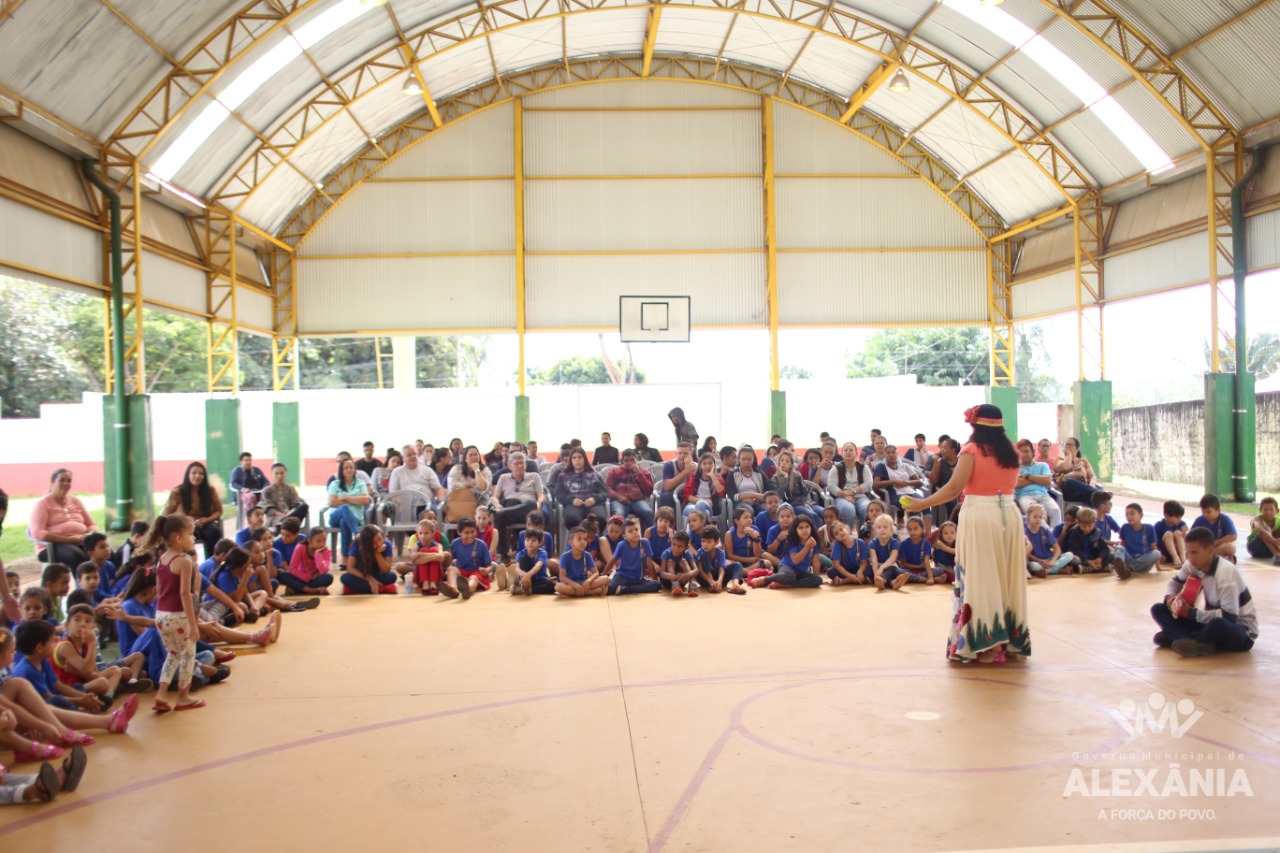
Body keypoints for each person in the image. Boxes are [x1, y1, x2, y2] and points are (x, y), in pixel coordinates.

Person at [904, 404, 1029, 664]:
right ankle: (1009, 640)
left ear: (975, 425)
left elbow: (953, 489)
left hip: (980, 514)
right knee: (1007, 576)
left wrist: (919, 505)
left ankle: (986, 644)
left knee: (982, 577)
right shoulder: (1012, 452)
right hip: (1009, 513)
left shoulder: (971, 450)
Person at [1150, 527, 1257, 657]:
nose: (1190, 558)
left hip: (1239, 631)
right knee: (1158, 609)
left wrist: (1190, 612)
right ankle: (1192, 642)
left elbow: (1229, 617)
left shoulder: (1226, 572)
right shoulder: (1193, 564)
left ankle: (1180, 637)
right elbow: (1175, 582)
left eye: (1194, 553)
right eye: (1187, 553)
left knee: (1218, 624)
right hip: (1208, 622)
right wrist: (1170, 598)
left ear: (1211, 550)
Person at [140, 514, 205, 712]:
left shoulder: (162, 560)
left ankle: (161, 694)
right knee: (187, 655)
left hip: (161, 615)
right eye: (191, 535)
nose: (193, 539)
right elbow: (184, 593)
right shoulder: (184, 561)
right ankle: (183, 696)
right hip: (179, 616)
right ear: (178, 538)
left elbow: (160, 589)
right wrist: (193, 624)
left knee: (173, 654)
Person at [29, 469, 97, 566]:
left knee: (104, 552)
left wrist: (88, 535)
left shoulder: (75, 501)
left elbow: (91, 524)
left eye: (69, 481)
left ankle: (110, 580)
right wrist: (69, 540)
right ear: (52, 482)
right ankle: (84, 581)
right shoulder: (42, 504)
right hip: (53, 545)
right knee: (77, 556)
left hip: (80, 541)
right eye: (62, 480)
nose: (66, 483)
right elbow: (37, 533)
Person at [162, 462, 224, 560]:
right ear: (188, 475)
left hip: (204, 524)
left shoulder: (210, 490)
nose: (197, 476)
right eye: (194, 473)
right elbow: (166, 513)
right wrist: (189, 523)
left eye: (201, 474)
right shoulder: (178, 491)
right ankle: (186, 565)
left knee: (214, 532)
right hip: (183, 526)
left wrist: (207, 520)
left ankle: (211, 565)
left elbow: (219, 511)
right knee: (183, 538)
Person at [490, 451, 545, 556]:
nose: (520, 465)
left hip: (527, 513)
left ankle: (503, 511)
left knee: (531, 504)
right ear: (509, 466)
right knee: (506, 508)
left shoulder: (534, 476)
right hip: (510, 513)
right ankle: (503, 554)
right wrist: (497, 506)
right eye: (516, 463)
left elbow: (541, 495)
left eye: (522, 463)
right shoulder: (503, 478)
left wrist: (538, 503)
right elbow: (495, 498)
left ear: (526, 464)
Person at [751, 515, 823, 589]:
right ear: (796, 530)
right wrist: (807, 547)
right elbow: (795, 560)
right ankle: (765, 580)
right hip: (787, 567)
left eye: (807, 527)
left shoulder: (813, 541)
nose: (804, 530)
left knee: (818, 580)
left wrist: (816, 575)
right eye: (801, 528)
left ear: (811, 528)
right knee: (789, 576)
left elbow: (816, 561)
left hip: (801, 572)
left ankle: (788, 584)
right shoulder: (792, 541)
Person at [554, 447, 609, 528]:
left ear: (584, 459)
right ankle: (576, 539)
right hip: (573, 505)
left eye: (580, 457)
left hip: (593, 504)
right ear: (571, 460)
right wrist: (572, 500)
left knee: (599, 518)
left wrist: (594, 499)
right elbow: (559, 495)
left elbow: (604, 492)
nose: (577, 460)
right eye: (574, 458)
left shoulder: (594, 475)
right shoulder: (563, 476)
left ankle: (594, 539)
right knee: (571, 519)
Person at [327, 457, 371, 557]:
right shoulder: (334, 484)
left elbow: (365, 500)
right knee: (345, 508)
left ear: (354, 469)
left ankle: (345, 557)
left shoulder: (360, 483)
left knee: (344, 521)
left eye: (351, 467)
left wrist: (345, 497)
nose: (349, 470)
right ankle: (357, 533)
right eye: (346, 468)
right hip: (335, 517)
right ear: (341, 470)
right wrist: (355, 500)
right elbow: (332, 502)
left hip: (355, 518)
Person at [606, 517, 662, 595]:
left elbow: (649, 563)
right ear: (624, 536)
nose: (635, 532)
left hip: (638, 578)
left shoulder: (644, 543)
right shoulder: (622, 545)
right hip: (622, 576)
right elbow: (613, 560)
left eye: (636, 530)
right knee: (609, 589)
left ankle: (626, 589)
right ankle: (627, 588)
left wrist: (655, 579)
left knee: (657, 585)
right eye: (630, 531)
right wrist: (604, 574)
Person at [389, 445, 447, 517]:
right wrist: (403, 504)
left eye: (414, 454)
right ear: (403, 458)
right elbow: (394, 494)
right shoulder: (397, 472)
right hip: (406, 507)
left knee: (442, 512)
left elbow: (438, 490)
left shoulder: (427, 470)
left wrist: (442, 502)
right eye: (409, 455)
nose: (413, 456)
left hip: (427, 505)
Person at [827, 442, 875, 529]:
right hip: (841, 497)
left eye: (851, 450)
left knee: (866, 509)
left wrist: (853, 491)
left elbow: (868, 484)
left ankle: (864, 537)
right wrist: (844, 494)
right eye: (845, 450)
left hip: (861, 495)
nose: (848, 452)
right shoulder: (836, 468)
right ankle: (847, 537)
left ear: (856, 453)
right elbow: (831, 486)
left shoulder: (864, 467)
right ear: (841, 453)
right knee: (848, 510)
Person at [340, 525, 398, 595]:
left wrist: (377, 554)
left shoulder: (387, 544)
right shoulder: (357, 544)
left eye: (380, 539)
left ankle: (357, 589)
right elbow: (350, 568)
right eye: (374, 542)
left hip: (378, 575)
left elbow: (386, 570)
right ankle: (382, 588)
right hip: (362, 575)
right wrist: (369, 578)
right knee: (345, 578)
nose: (379, 544)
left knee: (392, 576)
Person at [1015, 439, 1061, 527]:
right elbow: (1018, 483)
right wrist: (1038, 478)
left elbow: (1047, 481)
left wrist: (1028, 476)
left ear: (1032, 452)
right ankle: (1048, 536)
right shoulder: (1016, 468)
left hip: (1043, 496)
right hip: (1025, 497)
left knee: (1055, 510)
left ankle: (1055, 538)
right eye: (1021, 452)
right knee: (1035, 513)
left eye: (1027, 451)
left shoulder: (1042, 465)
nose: (1024, 454)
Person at [606, 450, 655, 530]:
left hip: (638, 501)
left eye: (632, 459)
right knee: (619, 515)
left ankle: (652, 537)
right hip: (619, 501)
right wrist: (618, 497)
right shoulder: (614, 472)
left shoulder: (643, 472)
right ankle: (619, 540)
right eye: (626, 460)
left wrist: (639, 474)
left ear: (637, 459)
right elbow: (607, 489)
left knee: (648, 512)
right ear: (622, 461)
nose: (629, 463)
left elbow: (649, 491)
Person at [280, 527, 335, 596]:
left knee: (329, 577)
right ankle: (312, 590)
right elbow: (292, 569)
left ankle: (297, 589)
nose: (322, 544)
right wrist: (308, 577)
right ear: (310, 541)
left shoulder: (326, 551)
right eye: (318, 541)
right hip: (300, 578)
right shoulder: (300, 547)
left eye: (324, 540)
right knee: (282, 574)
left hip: (314, 580)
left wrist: (318, 554)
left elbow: (323, 571)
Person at [556, 527, 609, 598]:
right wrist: (575, 585)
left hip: (584, 582)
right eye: (579, 539)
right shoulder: (565, 556)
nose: (583, 542)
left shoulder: (587, 555)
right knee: (558, 587)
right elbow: (562, 577)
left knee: (605, 578)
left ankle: (575, 593)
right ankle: (595, 591)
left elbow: (596, 573)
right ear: (571, 542)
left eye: (585, 539)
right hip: (570, 584)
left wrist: (588, 581)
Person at [1024, 504, 1075, 578]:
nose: (1038, 519)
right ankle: (1058, 570)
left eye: (1040, 517)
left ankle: (1048, 571)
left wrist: (1053, 560)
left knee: (1069, 555)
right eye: (1035, 517)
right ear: (1028, 517)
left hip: (1049, 559)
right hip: (1037, 561)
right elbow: (1027, 553)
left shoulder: (1045, 531)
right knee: (1034, 566)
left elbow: (1057, 548)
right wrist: (1040, 561)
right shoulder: (1025, 533)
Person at [1113, 502, 1160, 579]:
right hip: (1129, 559)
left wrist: (1158, 567)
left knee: (1157, 553)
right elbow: (1122, 545)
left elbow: (1153, 547)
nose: (1129, 516)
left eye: (1132, 514)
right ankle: (1122, 569)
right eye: (1127, 514)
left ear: (1140, 515)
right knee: (1119, 547)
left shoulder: (1149, 528)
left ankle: (1130, 567)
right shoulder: (1125, 527)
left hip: (1143, 563)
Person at [694, 525, 747, 594]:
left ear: (716, 542)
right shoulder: (700, 552)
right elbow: (700, 571)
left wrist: (719, 581)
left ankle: (735, 584)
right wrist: (711, 581)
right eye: (703, 541)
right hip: (705, 579)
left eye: (709, 542)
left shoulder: (720, 552)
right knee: (705, 555)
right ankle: (712, 585)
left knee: (737, 565)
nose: (705, 544)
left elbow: (721, 570)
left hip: (718, 577)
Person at [873, 443, 925, 512]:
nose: (891, 454)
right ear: (885, 456)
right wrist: (895, 482)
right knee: (911, 505)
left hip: (911, 492)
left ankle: (926, 522)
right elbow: (875, 484)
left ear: (897, 454)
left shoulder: (905, 466)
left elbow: (919, 482)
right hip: (896, 495)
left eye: (893, 452)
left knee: (924, 504)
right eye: (888, 453)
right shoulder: (882, 467)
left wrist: (906, 483)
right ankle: (911, 521)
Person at [1062, 507, 1111, 574]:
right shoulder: (1073, 532)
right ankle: (1100, 568)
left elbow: (1104, 548)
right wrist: (1087, 561)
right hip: (1080, 558)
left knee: (1112, 555)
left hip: (1094, 557)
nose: (1087, 529)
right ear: (1078, 522)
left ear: (1095, 523)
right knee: (1073, 559)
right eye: (1084, 526)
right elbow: (1074, 549)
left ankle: (1089, 568)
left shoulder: (1097, 532)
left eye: (1090, 526)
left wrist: (1100, 558)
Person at [680, 452, 726, 521]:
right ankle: (703, 529)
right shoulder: (694, 477)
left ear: (714, 465)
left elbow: (721, 493)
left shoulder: (717, 478)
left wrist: (713, 476)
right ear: (700, 465)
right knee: (697, 509)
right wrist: (702, 500)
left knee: (701, 507)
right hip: (692, 506)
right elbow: (687, 495)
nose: (707, 466)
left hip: (708, 507)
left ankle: (696, 530)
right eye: (704, 463)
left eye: (710, 463)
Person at [1192, 494, 1238, 561]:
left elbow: (1233, 536)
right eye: (1203, 512)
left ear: (1218, 511)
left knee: (1230, 547)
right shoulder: (1199, 520)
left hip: (1218, 547)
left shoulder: (1224, 519)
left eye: (1208, 512)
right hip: (1203, 548)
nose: (1205, 514)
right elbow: (1190, 537)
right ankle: (1212, 558)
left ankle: (1207, 558)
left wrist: (1215, 543)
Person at [261, 463, 308, 528]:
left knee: (304, 506)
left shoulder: (291, 489)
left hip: (291, 517)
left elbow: (295, 504)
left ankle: (284, 522)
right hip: (275, 519)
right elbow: (268, 510)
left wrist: (289, 514)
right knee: (286, 521)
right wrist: (283, 516)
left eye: (282, 473)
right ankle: (283, 523)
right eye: (276, 474)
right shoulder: (267, 491)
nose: (279, 476)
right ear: (272, 474)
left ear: (285, 474)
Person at [1054, 437, 1099, 504]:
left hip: (1083, 491)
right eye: (1066, 445)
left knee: (1092, 498)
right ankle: (1098, 494)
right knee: (1070, 481)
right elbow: (1064, 467)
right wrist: (1069, 455)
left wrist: (1091, 485)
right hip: (1068, 491)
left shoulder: (1083, 461)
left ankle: (1096, 494)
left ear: (1077, 449)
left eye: (1070, 445)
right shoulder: (1059, 460)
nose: (1067, 447)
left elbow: (1092, 476)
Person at [898, 517, 943, 585]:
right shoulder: (903, 544)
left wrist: (930, 577)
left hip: (922, 571)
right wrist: (918, 567)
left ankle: (919, 578)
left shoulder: (926, 543)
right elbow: (903, 564)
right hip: (909, 570)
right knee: (899, 572)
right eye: (910, 529)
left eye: (915, 529)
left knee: (940, 570)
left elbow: (926, 561)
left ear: (922, 529)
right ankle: (928, 579)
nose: (912, 532)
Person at [726, 447, 767, 513]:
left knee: (766, 510)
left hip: (758, 502)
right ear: (738, 460)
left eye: (749, 459)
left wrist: (754, 500)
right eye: (743, 459)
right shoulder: (733, 474)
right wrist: (755, 495)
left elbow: (767, 492)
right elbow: (732, 495)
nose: (746, 462)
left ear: (753, 460)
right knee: (747, 511)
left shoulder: (759, 473)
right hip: (740, 503)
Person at [659, 530, 700, 595]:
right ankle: (675, 585)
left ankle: (692, 585)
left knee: (683, 561)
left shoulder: (687, 553)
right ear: (671, 543)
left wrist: (687, 575)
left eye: (680, 546)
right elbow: (662, 573)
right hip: (668, 581)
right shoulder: (666, 553)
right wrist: (673, 577)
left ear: (686, 547)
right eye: (674, 545)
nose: (676, 548)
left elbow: (696, 570)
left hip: (682, 580)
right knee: (670, 561)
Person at [659, 441, 697, 510]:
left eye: (686, 453)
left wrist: (692, 471)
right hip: (671, 493)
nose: (682, 456)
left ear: (691, 454)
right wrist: (686, 471)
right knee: (666, 496)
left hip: (689, 494)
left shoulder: (696, 466)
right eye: (680, 453)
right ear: (676, 454)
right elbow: (667, 487)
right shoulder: (669, 465)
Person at [1155, 500, 1189, 568]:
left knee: (1177, 533)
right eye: (1176, 517)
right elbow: (1153, 542)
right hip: (1165, 554)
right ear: (1166, 515)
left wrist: (1184, 534)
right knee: (1168, 534)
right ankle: (1176, 558)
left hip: (1180, 552)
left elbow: (1187, 542)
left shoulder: (1181, 524)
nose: (1179, 520)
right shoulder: (1159, 525)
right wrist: (1158, 554)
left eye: (1180, 517)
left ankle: (1183, 559)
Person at [1247, 496, 1280, 563]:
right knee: (1266, 529)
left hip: (1270, 550)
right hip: (1256, 548)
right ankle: (1277, 555)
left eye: (1271, 509)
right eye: (1265, 509)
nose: (1268, 512)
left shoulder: (1278, 521)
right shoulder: (1258, 519)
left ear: (1277, 510)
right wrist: (1274, 541)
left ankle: (1278, 552)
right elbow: (1260, 529)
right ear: (1260, 510)